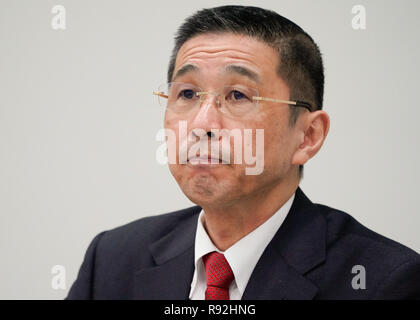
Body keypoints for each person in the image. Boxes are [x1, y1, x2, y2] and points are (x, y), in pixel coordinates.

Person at [66, 5, 420, 300]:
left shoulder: (385, 281)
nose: (201, 124)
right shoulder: (112, 260)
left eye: (238, 95)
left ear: (308, 136)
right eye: (187, 94)